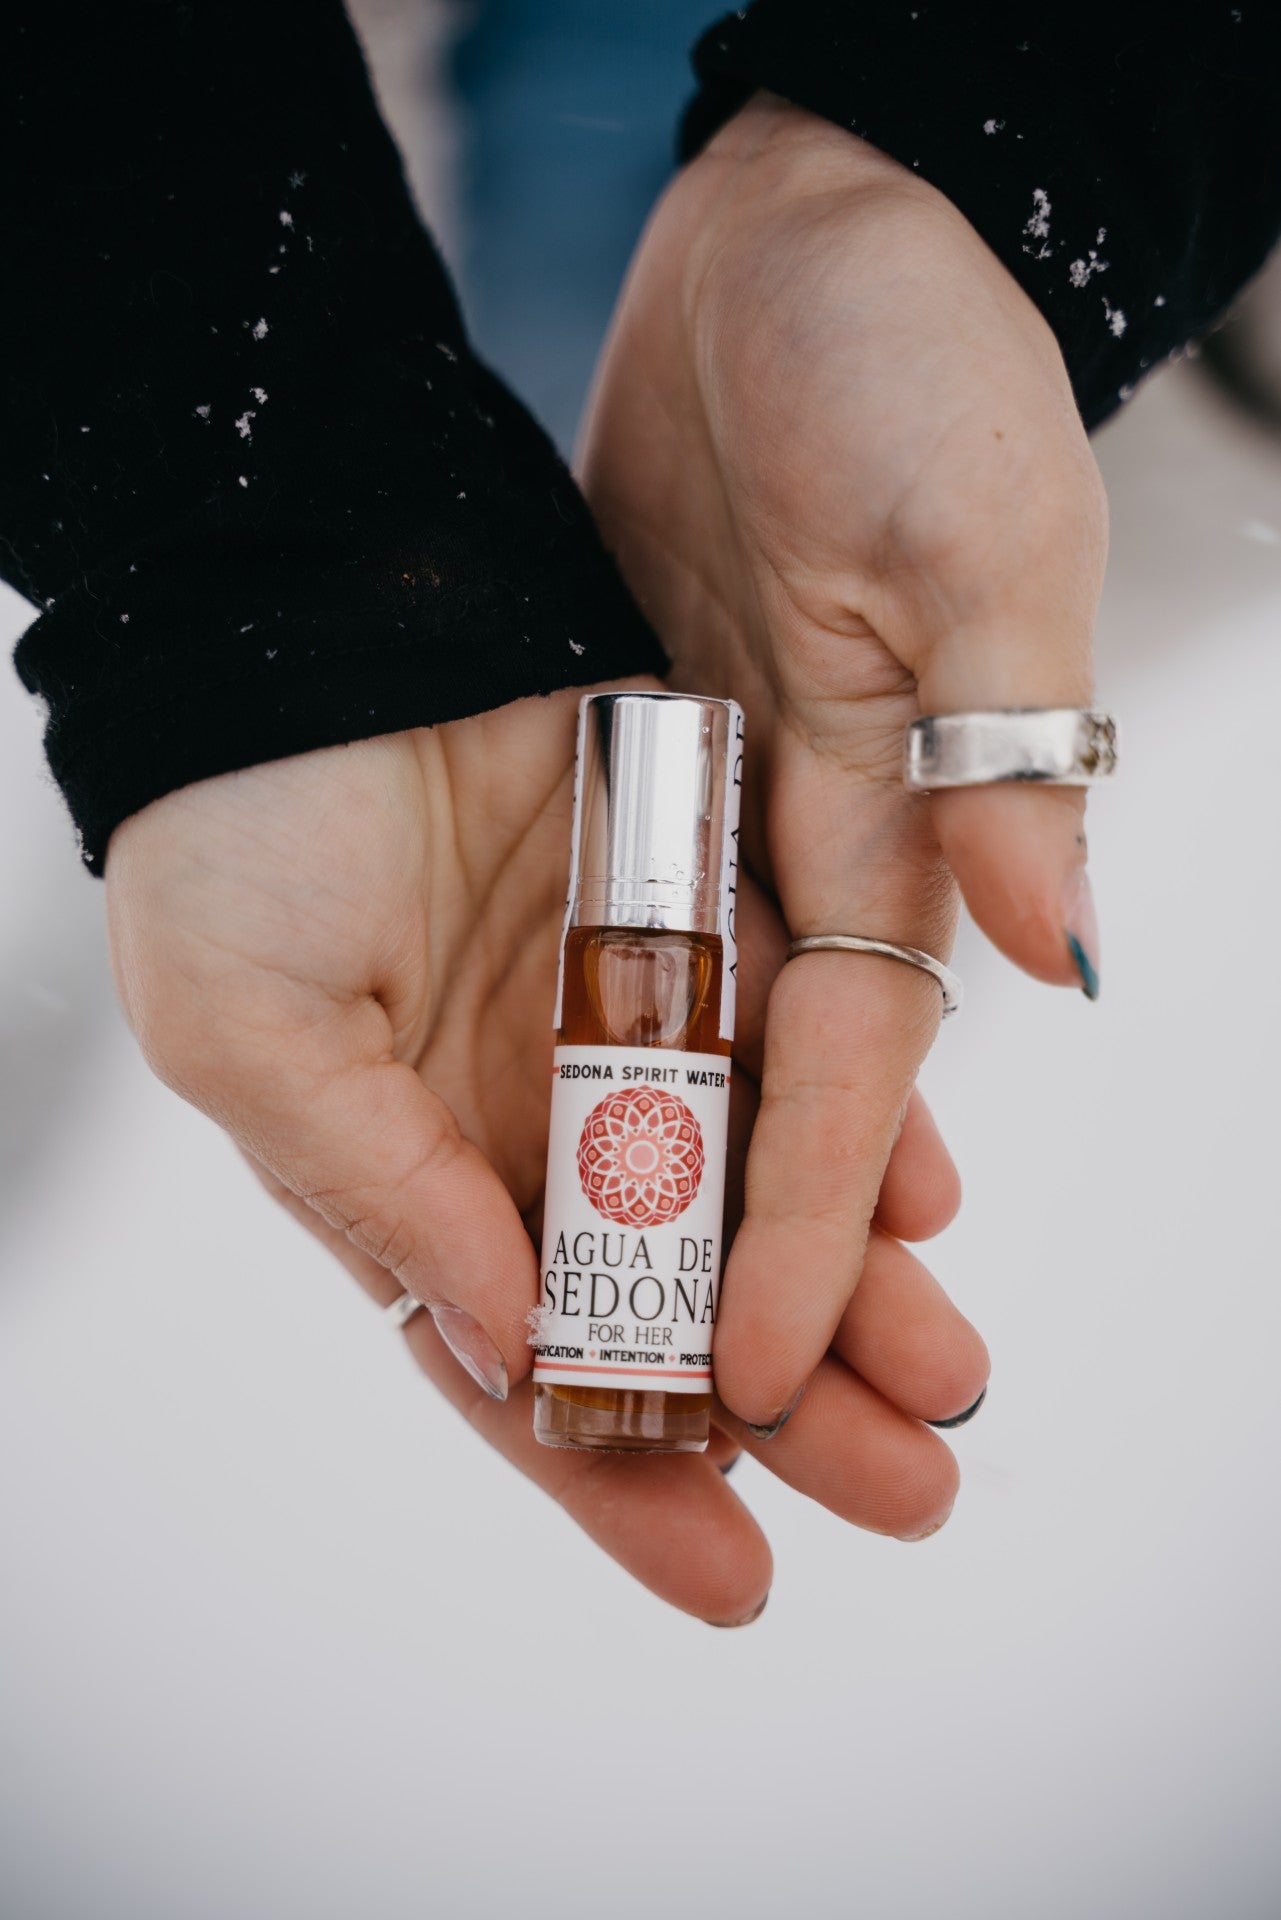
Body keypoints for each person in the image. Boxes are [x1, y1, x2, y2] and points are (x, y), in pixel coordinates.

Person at [3, 3, 1277, 1627]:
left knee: (822, 715)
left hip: (1039, 351)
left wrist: (1013, 129)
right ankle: (174, 801)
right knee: (428, 617)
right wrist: (223, 594)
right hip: (336, 118)